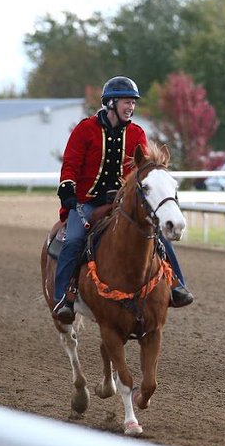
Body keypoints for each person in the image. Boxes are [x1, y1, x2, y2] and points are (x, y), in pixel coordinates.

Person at [51, 75, 194, 324]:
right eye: (127, 102)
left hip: (120, 204)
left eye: (133, 103)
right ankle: (64, 297)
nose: (131, 107)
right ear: (110, 103)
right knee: (73, 240)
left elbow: (142, 171)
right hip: (87, 202)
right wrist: (68, 193)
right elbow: (71, 165)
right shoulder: (85, 129)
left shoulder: (137, 133)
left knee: (157, 234)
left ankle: (177, 285)